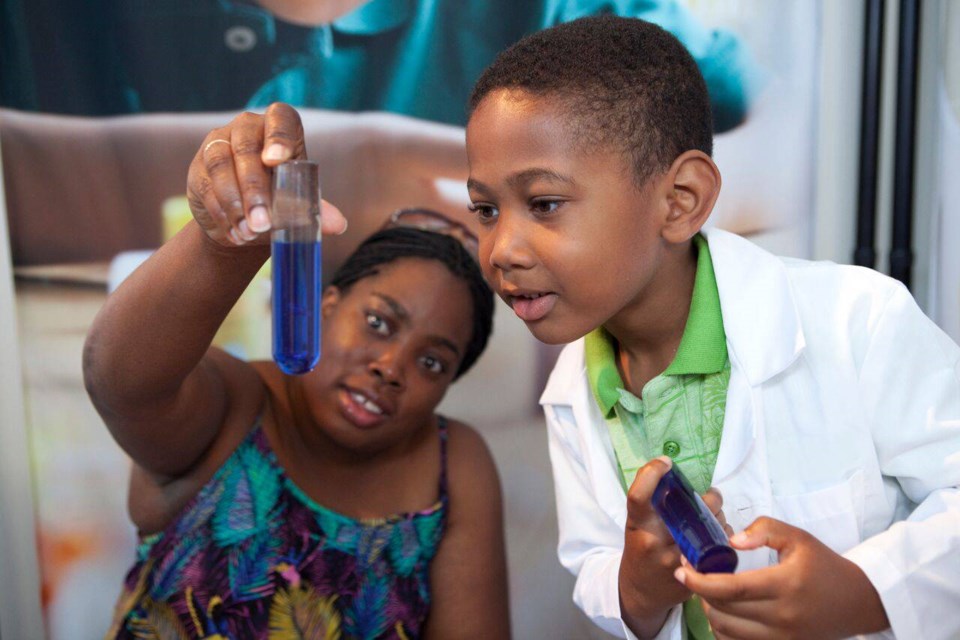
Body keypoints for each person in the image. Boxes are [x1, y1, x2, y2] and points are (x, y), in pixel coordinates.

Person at [458, 15, 960, 640]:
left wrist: (868, 591)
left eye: (545, 204)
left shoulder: (858, 319)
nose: (502, 247)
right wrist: (635, 588)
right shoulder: (578, 391)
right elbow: (592, 564)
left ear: (681, 200)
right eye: (485, 209)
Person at [82, 116, 509, 638]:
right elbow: (120, 382)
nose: (391, 367)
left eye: (432, 362)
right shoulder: (235, 403)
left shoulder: (452, 464)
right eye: (378, 322)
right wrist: (224, 241)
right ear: (326, 304)